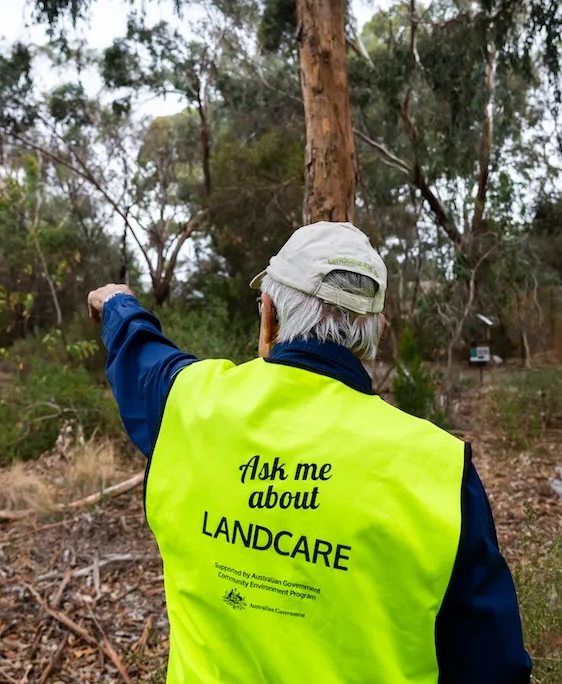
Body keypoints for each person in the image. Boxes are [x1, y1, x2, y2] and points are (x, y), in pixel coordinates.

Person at [88, 221, 532, 683]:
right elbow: (492, 664)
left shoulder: (188, 403)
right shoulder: (438, 469)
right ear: (373, 329)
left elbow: (142, 358)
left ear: (269, 315)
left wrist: (119, 304)